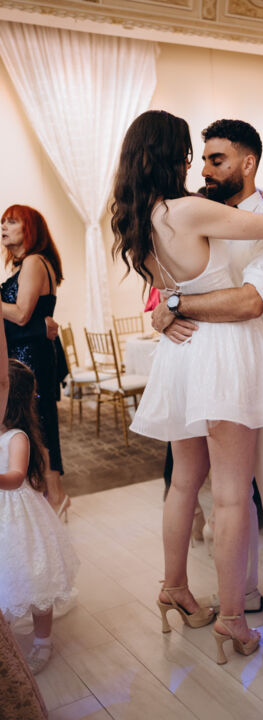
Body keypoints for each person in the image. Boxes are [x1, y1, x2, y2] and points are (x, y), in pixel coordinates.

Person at [111, 110, 263, 664]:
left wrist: (170, 305)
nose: (198, 166)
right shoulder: (190, 209)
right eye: (192, 154)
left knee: (184, 484)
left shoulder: (139, 217)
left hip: (183, 356)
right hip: (224, 354)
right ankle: (232, 617)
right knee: (228, 495)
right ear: (172, 155)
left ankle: (175, 587)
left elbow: (199, 293)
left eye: (211, 158)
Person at [0, 359, 79, 675]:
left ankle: (43, 641)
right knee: (7, 575)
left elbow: (16, 477)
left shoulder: (16, 437)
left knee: (36, 580)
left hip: (18, 518)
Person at [1, 205, 69, 518]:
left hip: (31, 357)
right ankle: (49, 494)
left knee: (38, 424)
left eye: (12, 221)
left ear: (29, 228)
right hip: (30, 352)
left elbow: (20, 314)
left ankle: (56, 496)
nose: (3, 227)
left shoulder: (33, 261)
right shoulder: (31, 263)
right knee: (37, 423)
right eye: (2, 222)